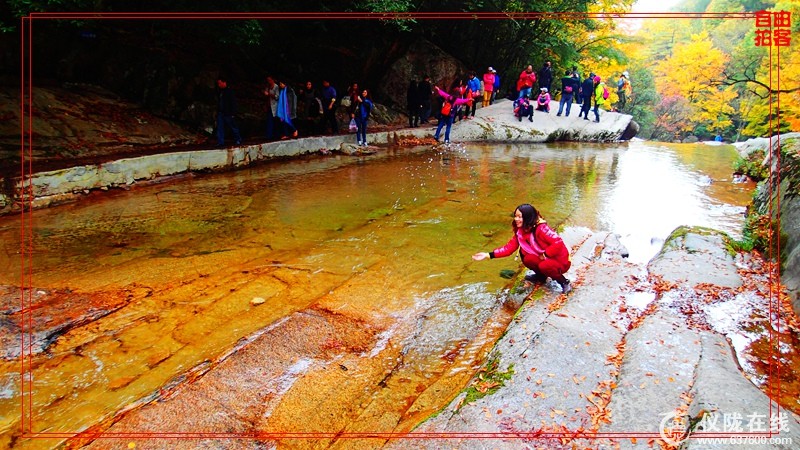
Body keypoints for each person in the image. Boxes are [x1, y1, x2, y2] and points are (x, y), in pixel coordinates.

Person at [472, 203, 572, 294]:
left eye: (519, 217)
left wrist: (545, 254)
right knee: (527, 258)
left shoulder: (541, 228)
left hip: (560, 261)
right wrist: (488, 255)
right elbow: (508, 248)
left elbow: (558, 242)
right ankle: (541, 277)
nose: (516, 219)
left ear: (528, 217)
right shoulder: (522, 231)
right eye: (515, 216)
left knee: (544, 265)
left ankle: (564, 282)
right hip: (546, 258)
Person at [215, 76, 242, 147]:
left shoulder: (229, 91)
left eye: (220, 83)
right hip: (221, 112)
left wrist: (233, 113)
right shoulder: (220, 91)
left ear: (224, 82)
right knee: (220, 127)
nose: (219, 85)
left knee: (233, 126)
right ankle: (220, 142)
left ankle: (238, 139)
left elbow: (233, 103)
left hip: (228, 113)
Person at [263, 76, 279, 141]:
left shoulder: (276, 87)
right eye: (267, 80)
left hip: (275, 106)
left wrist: (269, 94)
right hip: (269, 106)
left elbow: (277, 97)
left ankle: (276, 135)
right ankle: (269, 135)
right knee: (269, 121)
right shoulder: (268, 87)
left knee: (275, 121)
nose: (268, 81)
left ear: (272, 80)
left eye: (270, 80)